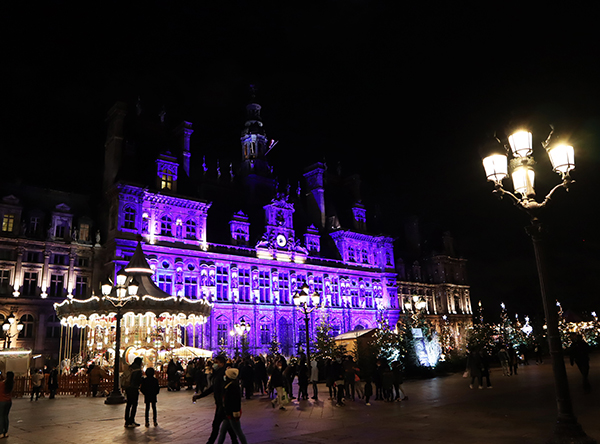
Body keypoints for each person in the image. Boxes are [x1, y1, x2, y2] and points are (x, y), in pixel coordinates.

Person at [192, 355, 239, 444]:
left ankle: (210, 442)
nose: (214, 364)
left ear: (222, 363)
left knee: (217, 425)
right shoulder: (218, 373)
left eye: (216, 362)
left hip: (223, 404)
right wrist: (200, 396)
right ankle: (234, 441)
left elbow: (221, 389)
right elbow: (213, 388)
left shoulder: (223, 375)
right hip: (221, 404)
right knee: (228, 427)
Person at [216, 368, 248, 444]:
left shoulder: (232, 387)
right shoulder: (229, 385)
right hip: (228, 413)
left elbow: (235, 401)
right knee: (222, 431)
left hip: (232, 413)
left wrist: (235, 412)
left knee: (238, 431)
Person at [124, 357, 144, 428]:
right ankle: (132, 420)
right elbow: (138, 381)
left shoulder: (130, 368)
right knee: (134, 405)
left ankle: (127, 420)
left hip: (128, 387)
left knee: (128, 404)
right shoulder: (138, 370)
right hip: (134, 388)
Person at [0, 371, 14, 439]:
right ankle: (6, 432)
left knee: (1, 417)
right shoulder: (11, 383)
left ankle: (1, 432)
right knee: (6, 416)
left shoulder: (2, 384)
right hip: (9, 401)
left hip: (2, 401)